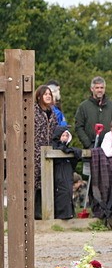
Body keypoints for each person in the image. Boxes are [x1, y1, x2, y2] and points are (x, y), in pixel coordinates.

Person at [74, 76, 112, 208]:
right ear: (92, 89)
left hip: (108, 151)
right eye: (97, 88)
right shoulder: (84, 107)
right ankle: (93, 208)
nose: (99, 90)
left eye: (102, 88)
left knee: (108, 180)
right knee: (91, 179)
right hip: (91, 150)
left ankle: (108, 208)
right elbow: (79, 126)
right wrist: (88, 144)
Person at [33, 85, 57, 220]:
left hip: (49, 150)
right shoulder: (33, 111)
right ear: (39, 96)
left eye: (49, 94)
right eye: (45, 94)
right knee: (34, 182)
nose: (48, 96)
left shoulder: (53, 112)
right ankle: (32, 212)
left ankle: (43, 212)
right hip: (34, 150)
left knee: (46, 182)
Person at [48, 125, 82, 220]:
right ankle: (60, 216)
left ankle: (68, 214)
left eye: (67, 136)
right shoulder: (54, 147)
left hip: (67, 175)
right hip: (59, 175)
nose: (65, 138)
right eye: (63, 135)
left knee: (68, 192)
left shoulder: (69, 149)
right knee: (61, 193)